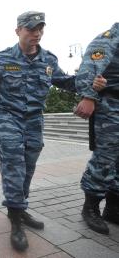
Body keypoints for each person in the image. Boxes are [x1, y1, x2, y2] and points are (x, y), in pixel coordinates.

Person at [0, 11, 78, 251]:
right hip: (8, 116)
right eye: (31, 29)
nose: (37, 33)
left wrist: (91, 83)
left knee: (28, 167)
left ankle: (19, 208)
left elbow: (65, 81)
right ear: (18, 31)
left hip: (34, 119)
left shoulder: (49, 60)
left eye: (40, 29)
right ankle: (15, 219)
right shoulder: (2, 59)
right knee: (14, 163)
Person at [74, 23, 119, 235]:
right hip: (111, 107)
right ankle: (90, 207)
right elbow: (89, 69)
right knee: (105, 158)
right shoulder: (109, 38)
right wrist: (89, 97)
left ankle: (113, 208)